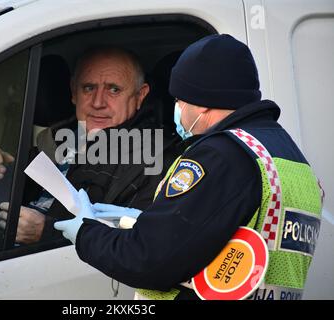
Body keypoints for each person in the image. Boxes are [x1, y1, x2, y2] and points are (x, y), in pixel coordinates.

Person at [54, 34, 324, 300]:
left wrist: (85, 235)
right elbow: (212, 231)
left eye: (180, 100)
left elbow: (150, 260)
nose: (178, 110)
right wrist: (141, 219)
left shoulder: (221, 155)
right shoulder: (284, 153)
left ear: (203, 103)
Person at [0, 48, 180, 246]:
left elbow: (140, 245)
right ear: (73, 92)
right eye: (88, 88)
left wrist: (48, 232)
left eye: (113, 90)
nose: (97, 102)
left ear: (140, 95)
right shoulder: (56, 141)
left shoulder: (154, 159)